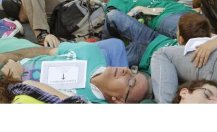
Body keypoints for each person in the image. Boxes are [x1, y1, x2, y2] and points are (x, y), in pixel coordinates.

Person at [0, 38, 150, 103]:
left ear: (119, 101)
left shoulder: (89, 104)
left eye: (131, 81)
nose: (125, 70)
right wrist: (10, 55)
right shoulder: (91, 51)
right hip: (11, 58)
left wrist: (15, 79)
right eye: (133, 70)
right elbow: (46, 51)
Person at [86, 0, 194, 38]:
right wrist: (136, 11)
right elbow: (120, 21)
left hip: (182, 9)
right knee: (197, 32)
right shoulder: (115, 2)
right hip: (164, 18)